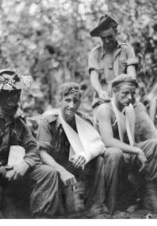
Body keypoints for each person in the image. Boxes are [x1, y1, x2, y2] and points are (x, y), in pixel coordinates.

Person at [0, 69, 62, 218]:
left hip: (12, 171)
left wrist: (26, 164)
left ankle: (42, 219)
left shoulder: (19, 122)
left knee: (48, 173)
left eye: (17, 93)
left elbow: (33, 148)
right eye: (9, 93)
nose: (14, 97)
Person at [37, 82, 124, 217]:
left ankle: (96, 208)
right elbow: (42, 153)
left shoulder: (84, 120)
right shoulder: (48, 121)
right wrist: (62, 171)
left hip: (78, 166)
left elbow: (98, 145)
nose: (71, 106)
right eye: (67, 100)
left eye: (75, 101)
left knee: (99, 160)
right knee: (68, 212)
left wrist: (85, 155)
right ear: (59, 100)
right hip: (58, 168)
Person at [94, 74, 157, 213]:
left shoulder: (128, 109)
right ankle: (111, 206)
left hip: (123, 153)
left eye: (132, 93)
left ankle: (150, 195)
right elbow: (107, 141)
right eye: (125, 93)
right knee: (116, 153)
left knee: (156, 145)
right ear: (114, 91)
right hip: (105, 158)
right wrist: (137, 151)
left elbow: (129, 140)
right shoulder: (104, 109)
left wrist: (137, 151)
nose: (130, 97)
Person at [88, 14, 157, 142]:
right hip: (103, 102)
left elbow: (131, 75)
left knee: (149, 131)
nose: (107, 41)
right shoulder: (95, 54)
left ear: (115, 33)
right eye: (103, 38)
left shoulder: (126, 50)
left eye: (110, 37)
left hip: (127, 100)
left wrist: (127, 92)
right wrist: (100, 91)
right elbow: (94, 77)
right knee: (98, 138)